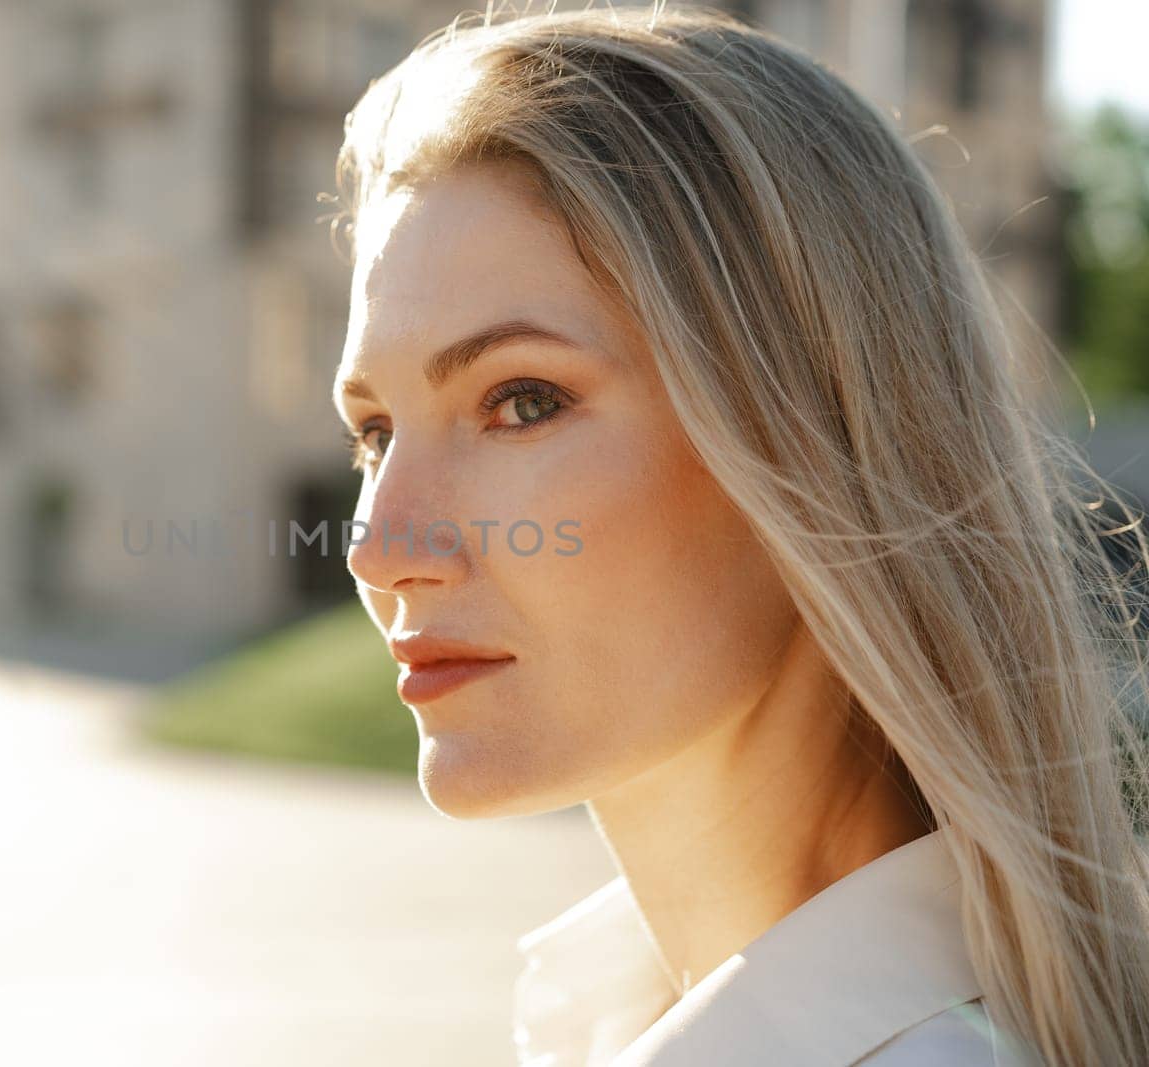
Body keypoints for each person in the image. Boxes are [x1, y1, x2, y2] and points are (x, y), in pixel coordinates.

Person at [327, 6, 1149, 1066]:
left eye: (520, 400)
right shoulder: (615, 1016)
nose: (380, 544)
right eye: (372, 431)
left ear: (817, 445)